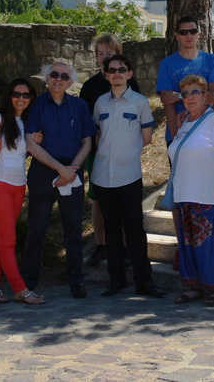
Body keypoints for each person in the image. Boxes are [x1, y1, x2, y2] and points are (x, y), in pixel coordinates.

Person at [91, 53, 163, 298]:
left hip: (129, 174)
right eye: (112, 70)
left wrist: (125, 153)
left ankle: (144, 282)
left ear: (129, 74)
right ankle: (116, 280)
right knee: (111, 229)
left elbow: (146, 139)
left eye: (122, 70)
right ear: (107, 75)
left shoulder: (140, 102)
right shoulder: (100, 103)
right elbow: (98, 135)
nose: (117, 74)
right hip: (102, 175)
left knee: (134, 229)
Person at [21, 60, 93, 299]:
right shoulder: (36, 106)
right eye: (54, 74)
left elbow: (87, 142)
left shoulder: (80, 107)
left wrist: (70, 169)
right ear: (46, 78)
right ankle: (29, 281)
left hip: (72, 171)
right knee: (36, 230)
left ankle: (76, 281)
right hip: (43, 172)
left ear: (70, 82)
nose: (58, 79)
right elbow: (30, 143)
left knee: (73, 230)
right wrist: (60, 169)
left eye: (64, 76)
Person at [162, 73, 214, 305]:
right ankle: (193, 286)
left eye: (195, 92)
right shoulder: (184, 123)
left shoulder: (213, 120)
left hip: (205, 193)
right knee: (188, 243)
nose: (190, 97)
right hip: (184, 193)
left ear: (205, 96)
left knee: (207, 244)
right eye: (185, 94)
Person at [156, 14, 214, 259]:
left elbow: (213, 97)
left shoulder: (211, 60)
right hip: (179, 134)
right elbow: (165, 101)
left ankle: (208, 244)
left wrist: (179, 96)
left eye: (192, 31)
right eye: (183, 32)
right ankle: (182, 246)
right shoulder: (167, 64)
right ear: (176, 36)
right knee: (179, 190)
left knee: (205, 189)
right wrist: (177, 137)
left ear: (199, 33)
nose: (188, 36)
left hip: (205, 133)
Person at [78, 34, 143, 267]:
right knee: (99, 200)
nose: (105, 56)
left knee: (125, 203)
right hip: (98, 153)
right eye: (101, 52)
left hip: (125, 154)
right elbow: (84, 121)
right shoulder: (90, 87)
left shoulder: (131, 84)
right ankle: (101, 245)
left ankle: (125, 248)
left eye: (110, 52)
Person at [0, 77, 41, 304]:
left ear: (31, 98)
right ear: (9, 95)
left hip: (18, 186)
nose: (21, 99)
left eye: (26, 95)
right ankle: (21, 289)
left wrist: (37, 139)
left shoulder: (26, 122)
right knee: (8, 241)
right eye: (17, 94)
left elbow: (22, 154)